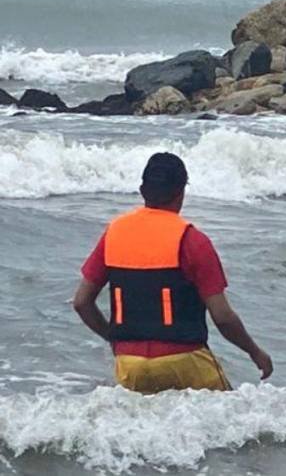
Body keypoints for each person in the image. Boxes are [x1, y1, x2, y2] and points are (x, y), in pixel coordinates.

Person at [72, 153, 272, 394]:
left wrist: (115, 340)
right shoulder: (192, 240)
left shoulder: (114, 233)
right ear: (181, 192)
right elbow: (223, 317)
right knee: (232, 417)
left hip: (129, 363)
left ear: (142, 190)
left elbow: (82, 302)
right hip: (184, 359)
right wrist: (255, 352)